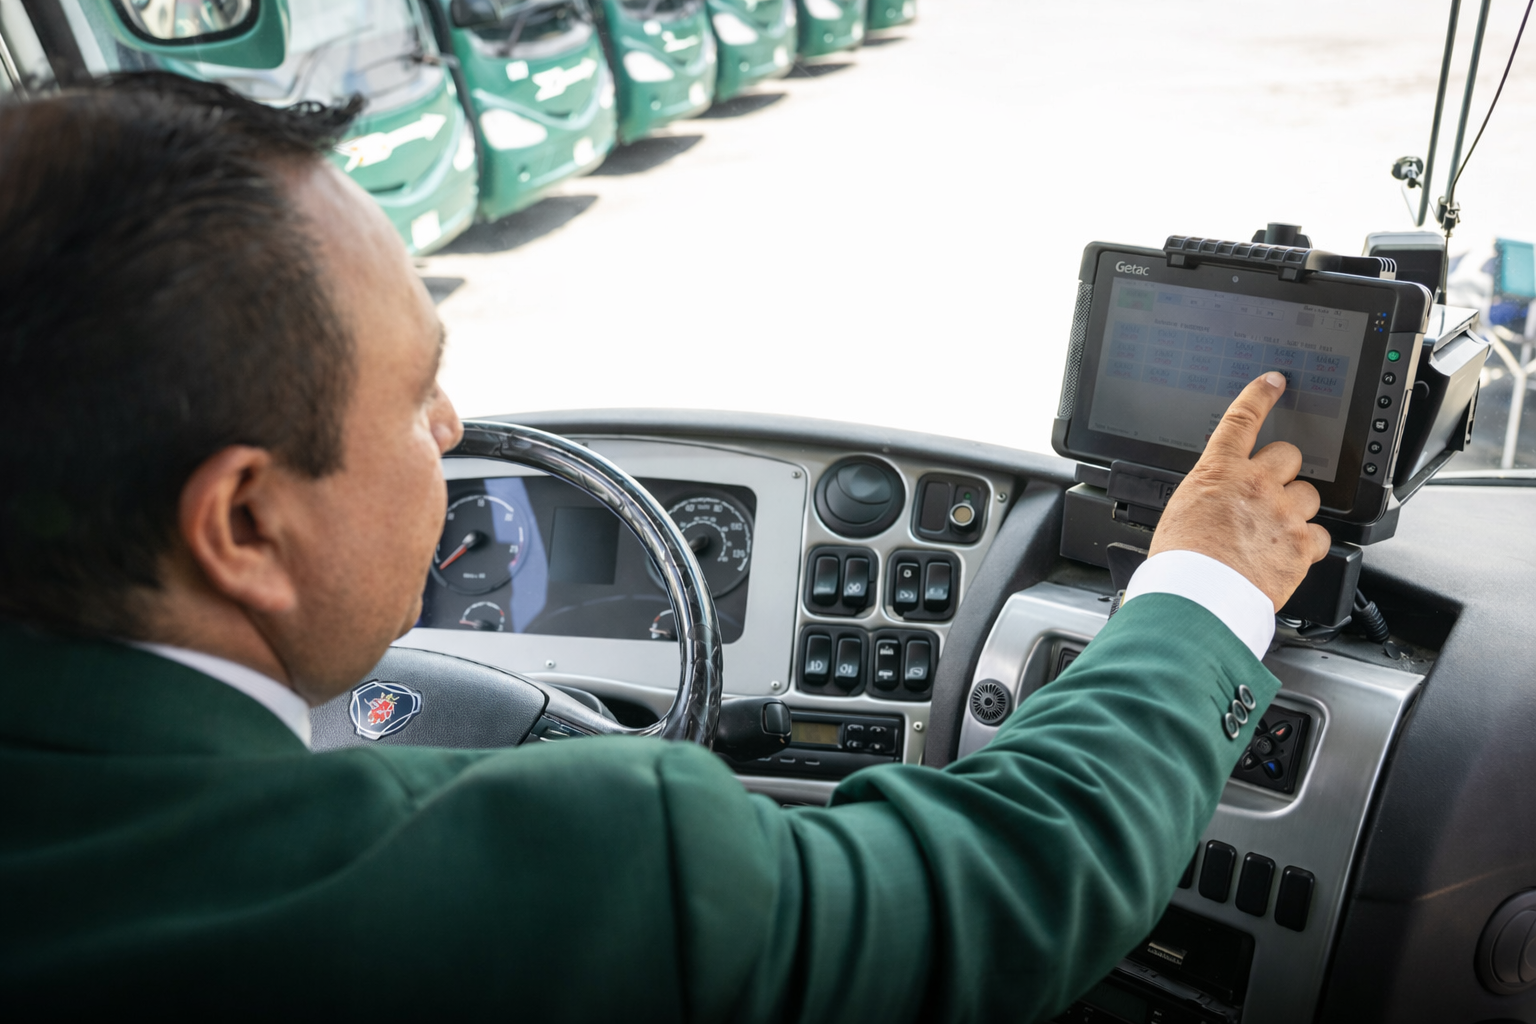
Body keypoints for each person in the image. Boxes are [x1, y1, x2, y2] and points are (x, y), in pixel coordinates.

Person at [0, 75, 1330, 1019]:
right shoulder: (583, 872)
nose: (455, 430)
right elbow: (1005, 890)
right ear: (243, 524)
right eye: (415, 398)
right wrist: (1205, 586)